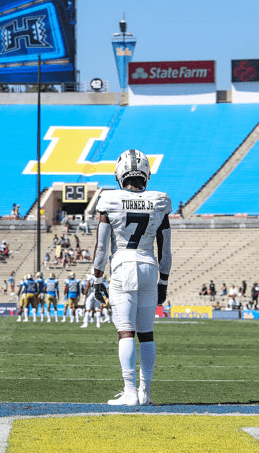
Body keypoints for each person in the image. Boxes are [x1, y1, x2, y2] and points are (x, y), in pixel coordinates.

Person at [93, 149, 172, 407]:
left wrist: (96, 278)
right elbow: (166, 248)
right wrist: (164, 281)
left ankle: (129, 392)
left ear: (119, 174)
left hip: (123, 266)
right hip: (149, 266)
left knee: (126, 332)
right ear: (145, 173)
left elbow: (102, 247)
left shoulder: (109, 199)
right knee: (146, 333)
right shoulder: (159, 200)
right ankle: (145, 393)